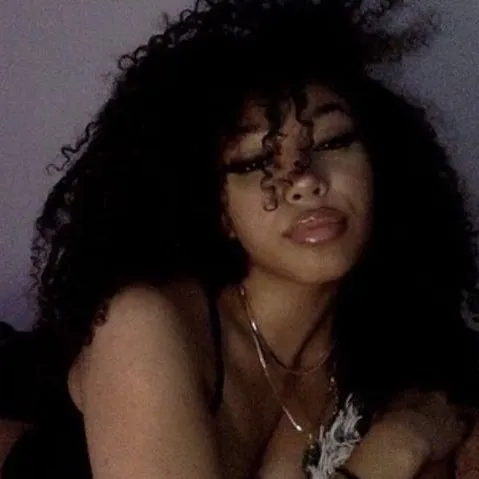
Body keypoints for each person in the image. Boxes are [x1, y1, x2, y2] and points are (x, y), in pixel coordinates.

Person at [2, 0, 479, 477]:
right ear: (218, 210)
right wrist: (394, 449)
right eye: (255, 163)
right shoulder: (145, 323)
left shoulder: (384, 351)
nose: (305, 180)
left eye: (332, 141)